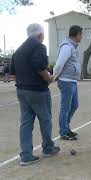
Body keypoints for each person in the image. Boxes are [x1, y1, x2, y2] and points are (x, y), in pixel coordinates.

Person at [10, 23, 60, 166]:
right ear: (40, 35)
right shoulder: (39, 46)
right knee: (45, 119)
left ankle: (26, 155)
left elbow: (13, 73)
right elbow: (39, 65)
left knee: (26, 122)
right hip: (37, 90)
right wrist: (49, 78)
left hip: (21, 90)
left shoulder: (18, 50)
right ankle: (48, 148)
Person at [53, 25, 83, 141]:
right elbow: (60, 64)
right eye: (81, 35)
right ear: (76, 35)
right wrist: (54, 76)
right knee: (65, 107)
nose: (81, 37)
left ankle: (66, 127)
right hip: (66, 81)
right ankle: (64, 131)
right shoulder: (67, 47)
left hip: (71, 81)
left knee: (74, 105)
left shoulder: (72, 47)